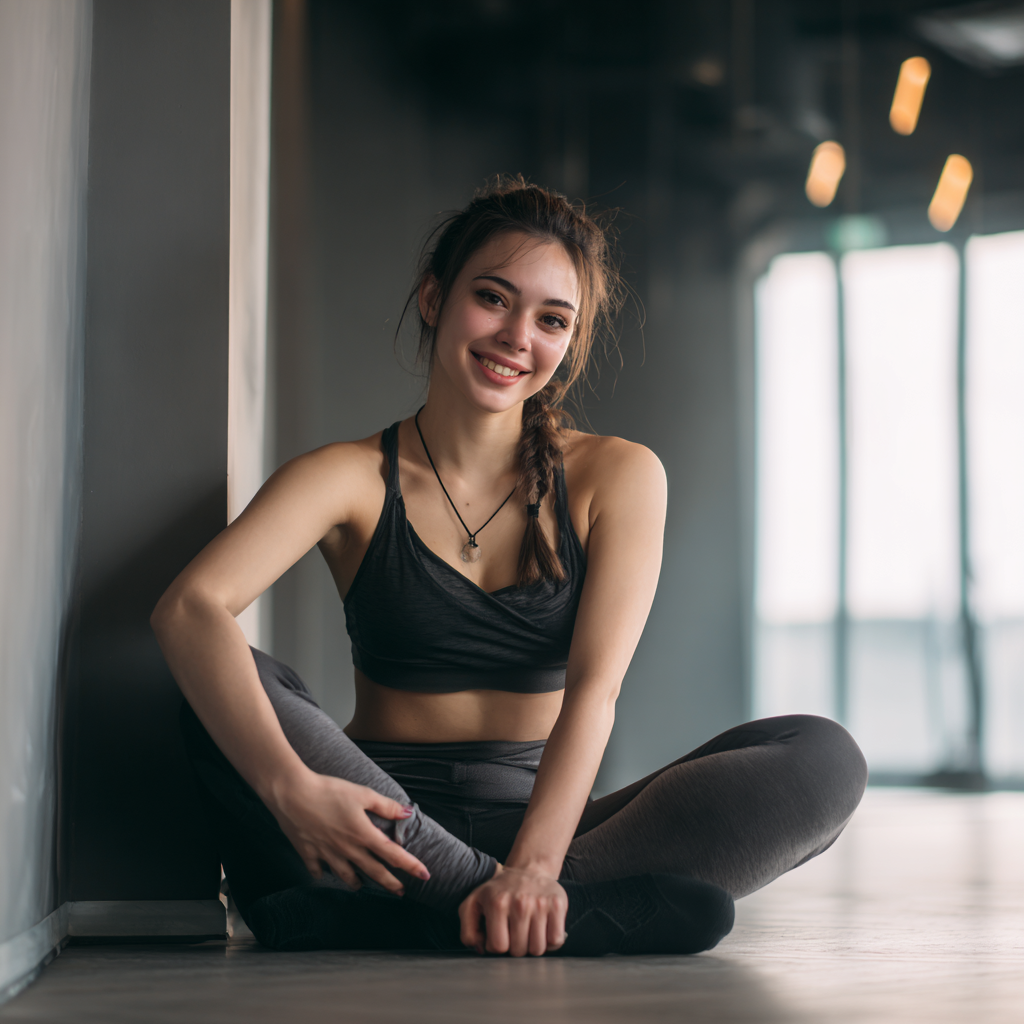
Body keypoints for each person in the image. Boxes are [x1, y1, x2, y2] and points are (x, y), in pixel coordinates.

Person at [152, 177, 867, 958]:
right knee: (226, 681)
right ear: (434, 299)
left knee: (822, 756)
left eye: (551, 319)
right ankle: (550, 916)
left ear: (568, 343)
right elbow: (189, 608)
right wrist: (294, 791)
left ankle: (454, 909)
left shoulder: (616, 476)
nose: (517, 335)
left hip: (546, 826)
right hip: (372, 817)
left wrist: (532, 867)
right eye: (493, 298)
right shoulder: (348, 476)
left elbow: (595, 690)